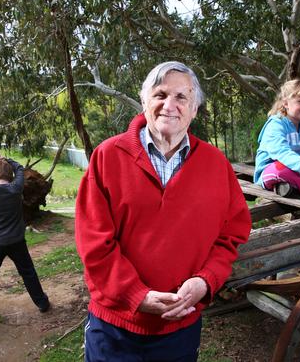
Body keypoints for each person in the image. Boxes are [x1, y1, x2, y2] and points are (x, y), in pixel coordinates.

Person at [75, 61, 252, 361]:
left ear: (194, 109)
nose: (169, 105)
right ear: (144, 101)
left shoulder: (216, 165)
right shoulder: (107, 157)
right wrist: (136, 295)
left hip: (180, 328)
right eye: (160, 94)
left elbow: (231, 235)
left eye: (182, 97)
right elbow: (94, 244)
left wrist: (206, 280)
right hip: (114, 327)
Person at [0, 151, 51, 324]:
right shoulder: (16, 188)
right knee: (28, 272)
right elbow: (19, 168)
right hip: (16, 242)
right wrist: (1, 158)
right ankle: (42, 303)